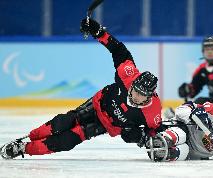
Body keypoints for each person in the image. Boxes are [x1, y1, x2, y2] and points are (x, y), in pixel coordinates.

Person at [0, 18, 162, 159]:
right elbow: (118, 49)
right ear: (132, 83)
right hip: (97, 103)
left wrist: (142, 137)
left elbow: (153, 132)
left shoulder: (152, 112)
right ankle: (31, 136)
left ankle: (23, 149)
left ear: (149, 96)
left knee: (67, 141)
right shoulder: (128, 74)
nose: (135, 96)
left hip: (107, 125)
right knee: (63, 123)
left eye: (141, 95)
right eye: (134, 90)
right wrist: (99, 32)